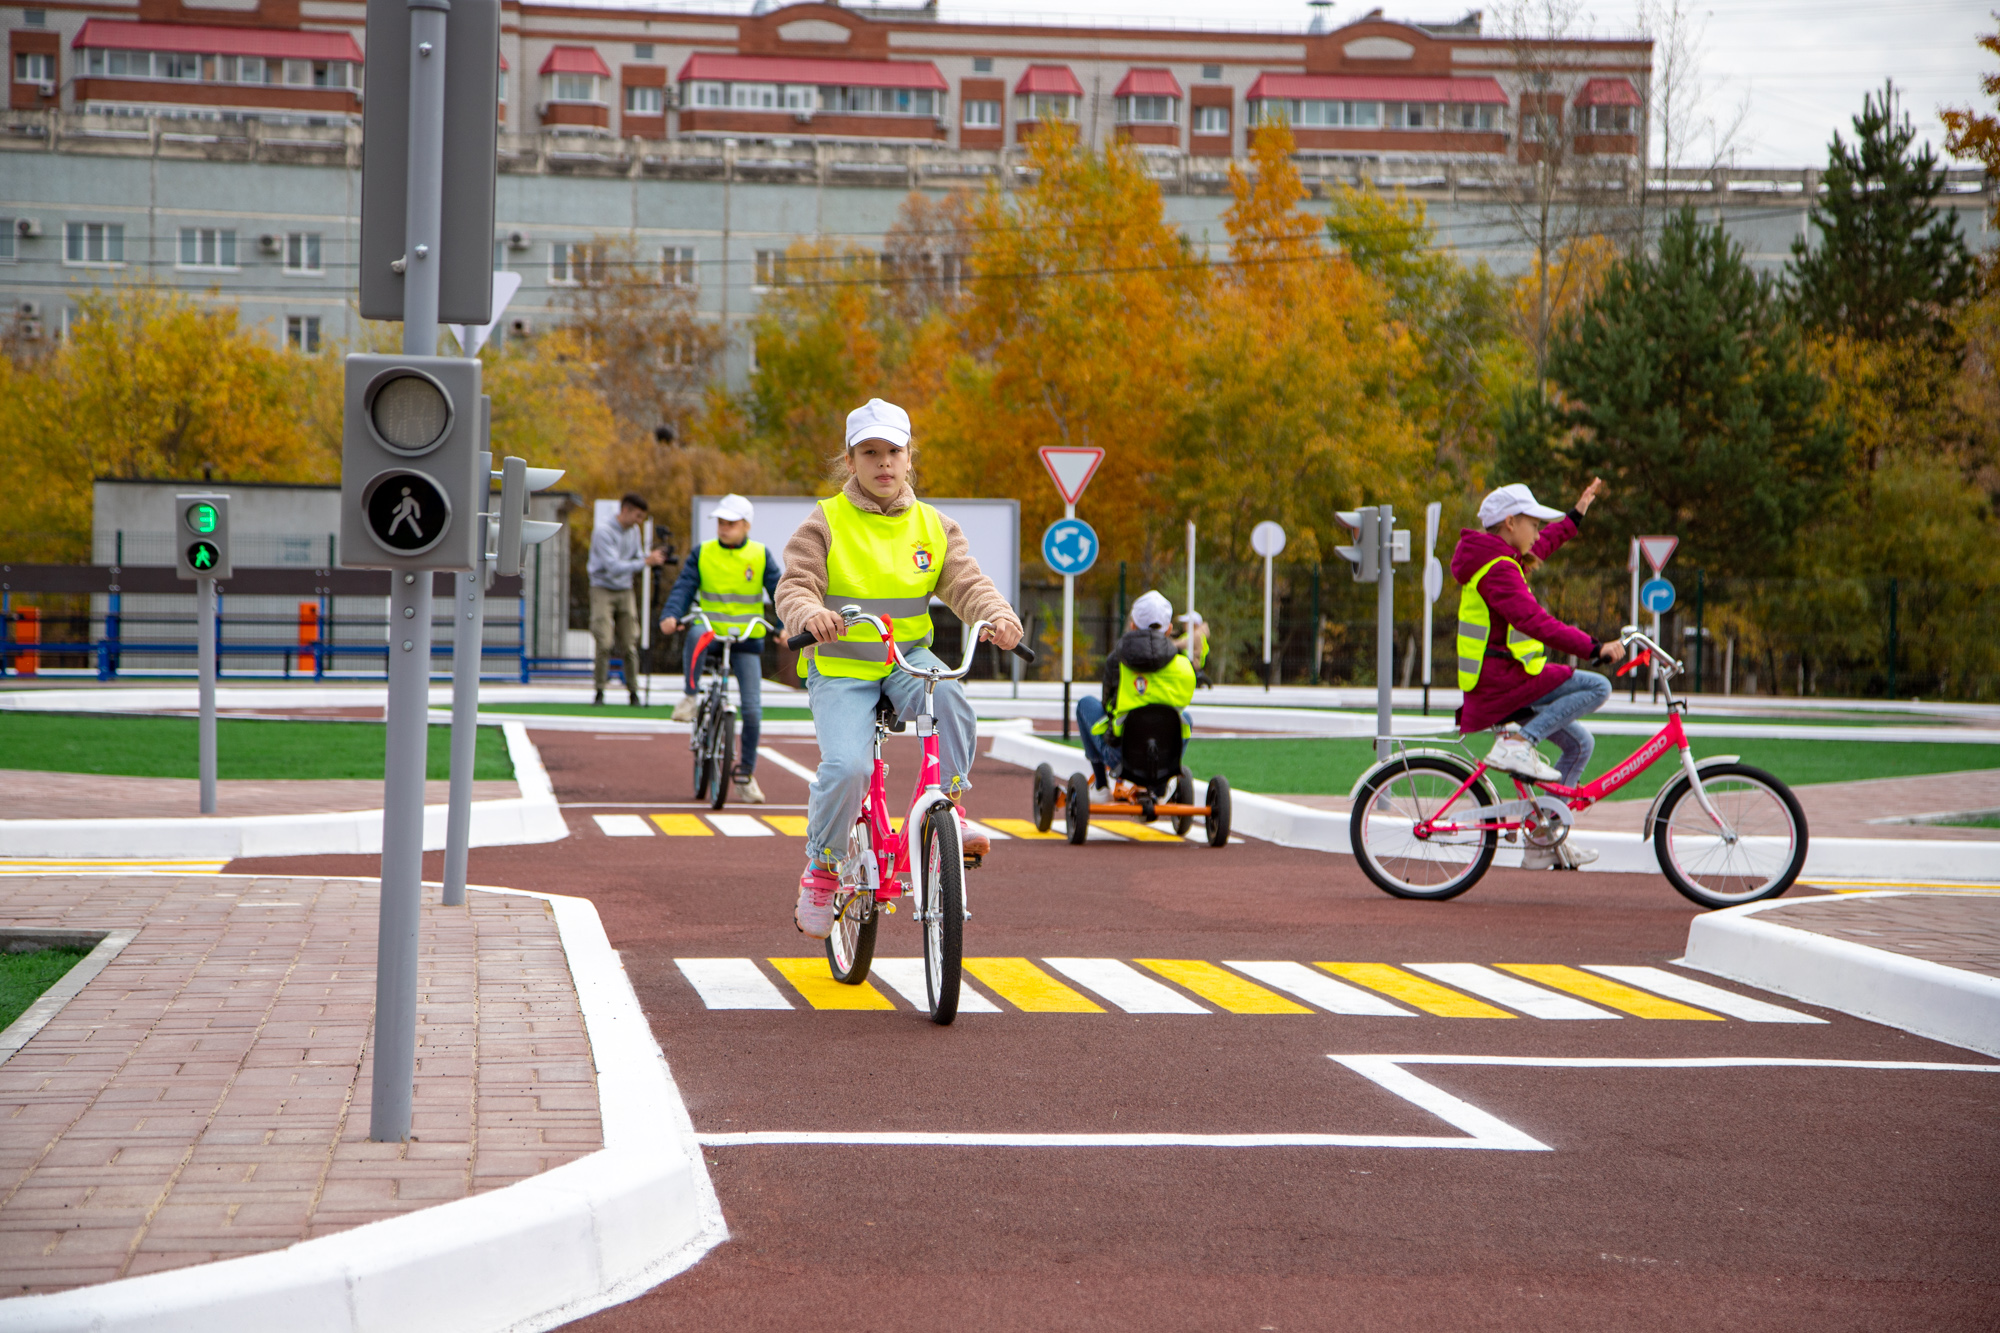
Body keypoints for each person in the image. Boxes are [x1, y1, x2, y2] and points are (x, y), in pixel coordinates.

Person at [775, 398, 1024, 940]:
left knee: (953, 699)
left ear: (910, 456)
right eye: (871, 453)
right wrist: (809, 614)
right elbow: (794, 584)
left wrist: (998, 617)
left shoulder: (934, 526)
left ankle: (949, 809)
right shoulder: (825, 520)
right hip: (841, 666)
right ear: (851, 461)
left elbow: (967, 584)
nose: (883, 463)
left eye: (894, 451)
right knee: (847, 768)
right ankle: (821, 869)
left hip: (907, 658)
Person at [1452, 478, 1626, 870]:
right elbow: (1534, 621)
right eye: (1533, 523)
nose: (1537, 533)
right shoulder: (1497, 568)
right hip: (1501, 682)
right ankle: (1520, 742)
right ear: (1511, 523)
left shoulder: (1498, 557)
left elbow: (1541, 546)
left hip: (1509, 677)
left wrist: (1574, 517)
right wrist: (1594, 647)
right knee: (1597, 685)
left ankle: (1543, 839)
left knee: (1580, 744)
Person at [660, 493, 779, 804]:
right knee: (694, 631)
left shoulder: (760, 555)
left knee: (752, 711)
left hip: (745, 641)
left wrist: (785, 625)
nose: (723, 528)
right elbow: (684, 586)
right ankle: (690, 696)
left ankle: (745, 775)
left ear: (746, 525)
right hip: (710, 632)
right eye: (721, 522)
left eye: (730, 523)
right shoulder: (703, 553)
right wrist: (671, 615)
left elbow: (781, 593)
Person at [1076, 590, 1209, 802]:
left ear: (1132, 625)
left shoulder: (1117, 660)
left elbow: (1108, 703)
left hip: (1121, 756)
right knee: (1185, 719)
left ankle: (1101, 785)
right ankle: (1161, 786)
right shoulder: (1184, 667)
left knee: (1085, 704)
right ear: (1169, 630)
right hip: (1163, 757)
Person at [586, 492, 667, 707]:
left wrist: (651, 558)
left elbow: (636, 557)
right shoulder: (603, 532)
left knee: (630, 642)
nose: (640, 521)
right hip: (602, 588)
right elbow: (613, 567)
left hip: (625, 590)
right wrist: (645, 562)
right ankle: (599, 691)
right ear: (626, 511)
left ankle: (633, 692)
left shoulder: (634, 531)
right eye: (638, 516)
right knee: (604, 641)